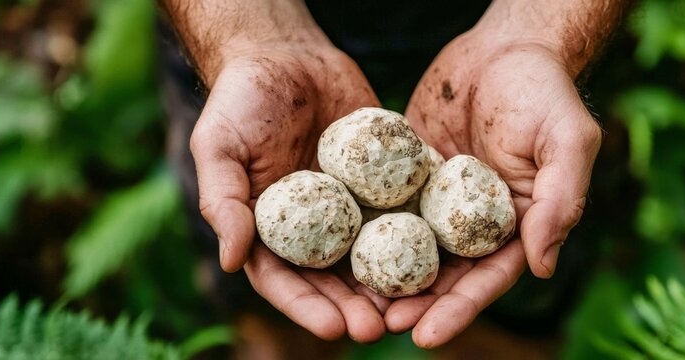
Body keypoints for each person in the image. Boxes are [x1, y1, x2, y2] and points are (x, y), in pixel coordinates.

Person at [160, 0, 628, 349]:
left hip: (523, 34)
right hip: (247, 27)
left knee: (515, 322)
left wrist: (538, 34)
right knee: (268, 315)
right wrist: (249, 40)